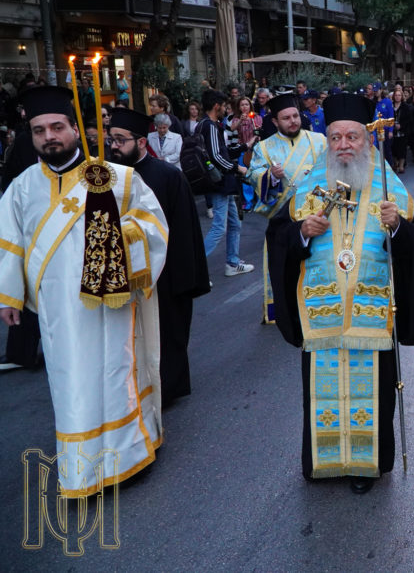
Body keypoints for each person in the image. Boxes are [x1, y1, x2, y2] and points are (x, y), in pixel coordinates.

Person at [0, 86, 168, 493]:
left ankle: (130, 455)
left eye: (57, 127)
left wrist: (120, 239)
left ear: (76, 130)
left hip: (110, 303)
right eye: (39, 131)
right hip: (59, 311)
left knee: (115, 376)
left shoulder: (116, 177)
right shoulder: (21, 188)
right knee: (72, 385)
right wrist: (8, 296)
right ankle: (82, 472)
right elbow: (10, 244)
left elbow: (155, 227)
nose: (49, 137)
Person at [266, 92, 414, 493]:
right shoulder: (310, 184)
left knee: (373, 395)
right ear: (327, 140)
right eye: (336, 137)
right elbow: (279, 237)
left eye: (352, 137)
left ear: (367, 140)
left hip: (372, 311)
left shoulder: (388, 186)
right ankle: (324, 462)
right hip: (321, 309)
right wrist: (301, 234)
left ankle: (365, 466)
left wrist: (398, 228)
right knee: (321, 391)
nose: (344, 145)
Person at [108, 107, 210, 405]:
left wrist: (184, 281)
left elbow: (184, 232)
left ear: (141, 142)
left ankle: (169, 390)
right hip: (125, 276)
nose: (114, 146)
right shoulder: (108, 177)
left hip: (165, 276)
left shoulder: (168, 176)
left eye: (120, 140)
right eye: (111, 139)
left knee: (168, 335)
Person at [245, 93, 327, 323]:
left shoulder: (318, 140)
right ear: (275, 122)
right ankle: (286, 309)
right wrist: (270, 176)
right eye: (286, 118)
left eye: (295, 116)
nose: (293, 121)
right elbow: (253, 175)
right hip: (284, 219)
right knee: (284, 267)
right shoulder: (264, 148)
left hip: (317, 216)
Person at [197, 89, 253, 277]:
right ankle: (195, 269)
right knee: (219, 227)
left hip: (222, 183)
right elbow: (216, 157)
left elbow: (224, 151)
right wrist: (237, 168)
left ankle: (232, 262)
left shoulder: (207, 125)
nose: (226, 109)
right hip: (219, 183)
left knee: (235, 224)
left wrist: (246, 146)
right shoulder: (210, 126)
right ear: (216, 106)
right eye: (224, 106)